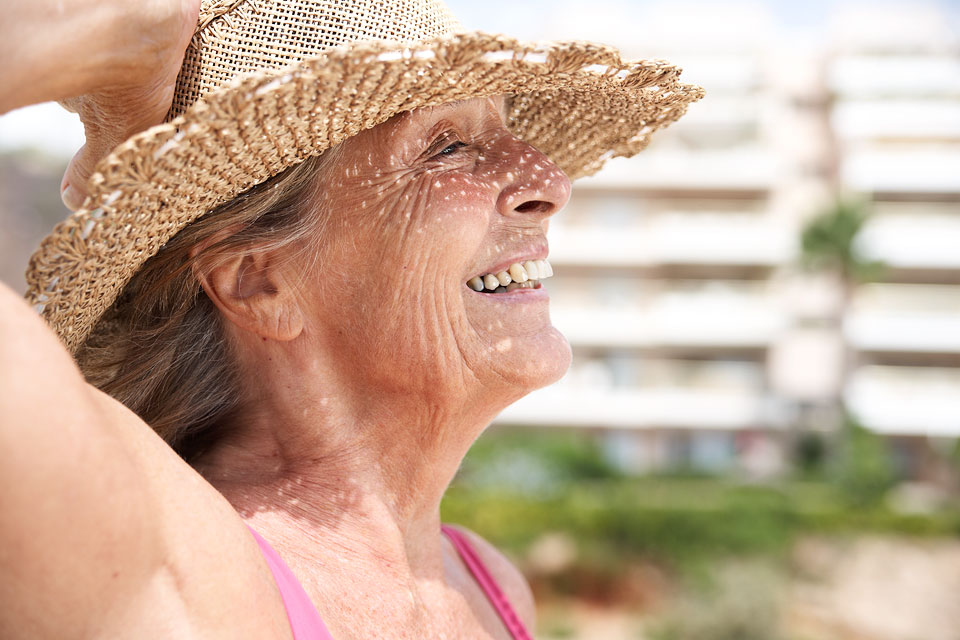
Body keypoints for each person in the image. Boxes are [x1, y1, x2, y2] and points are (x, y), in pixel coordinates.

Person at [0, 0, 702, 638]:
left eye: (507, 133)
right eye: (447, 146)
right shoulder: (159, 556)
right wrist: (114, 35)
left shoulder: (485, 585)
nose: (550, 183)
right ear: (257, 282)